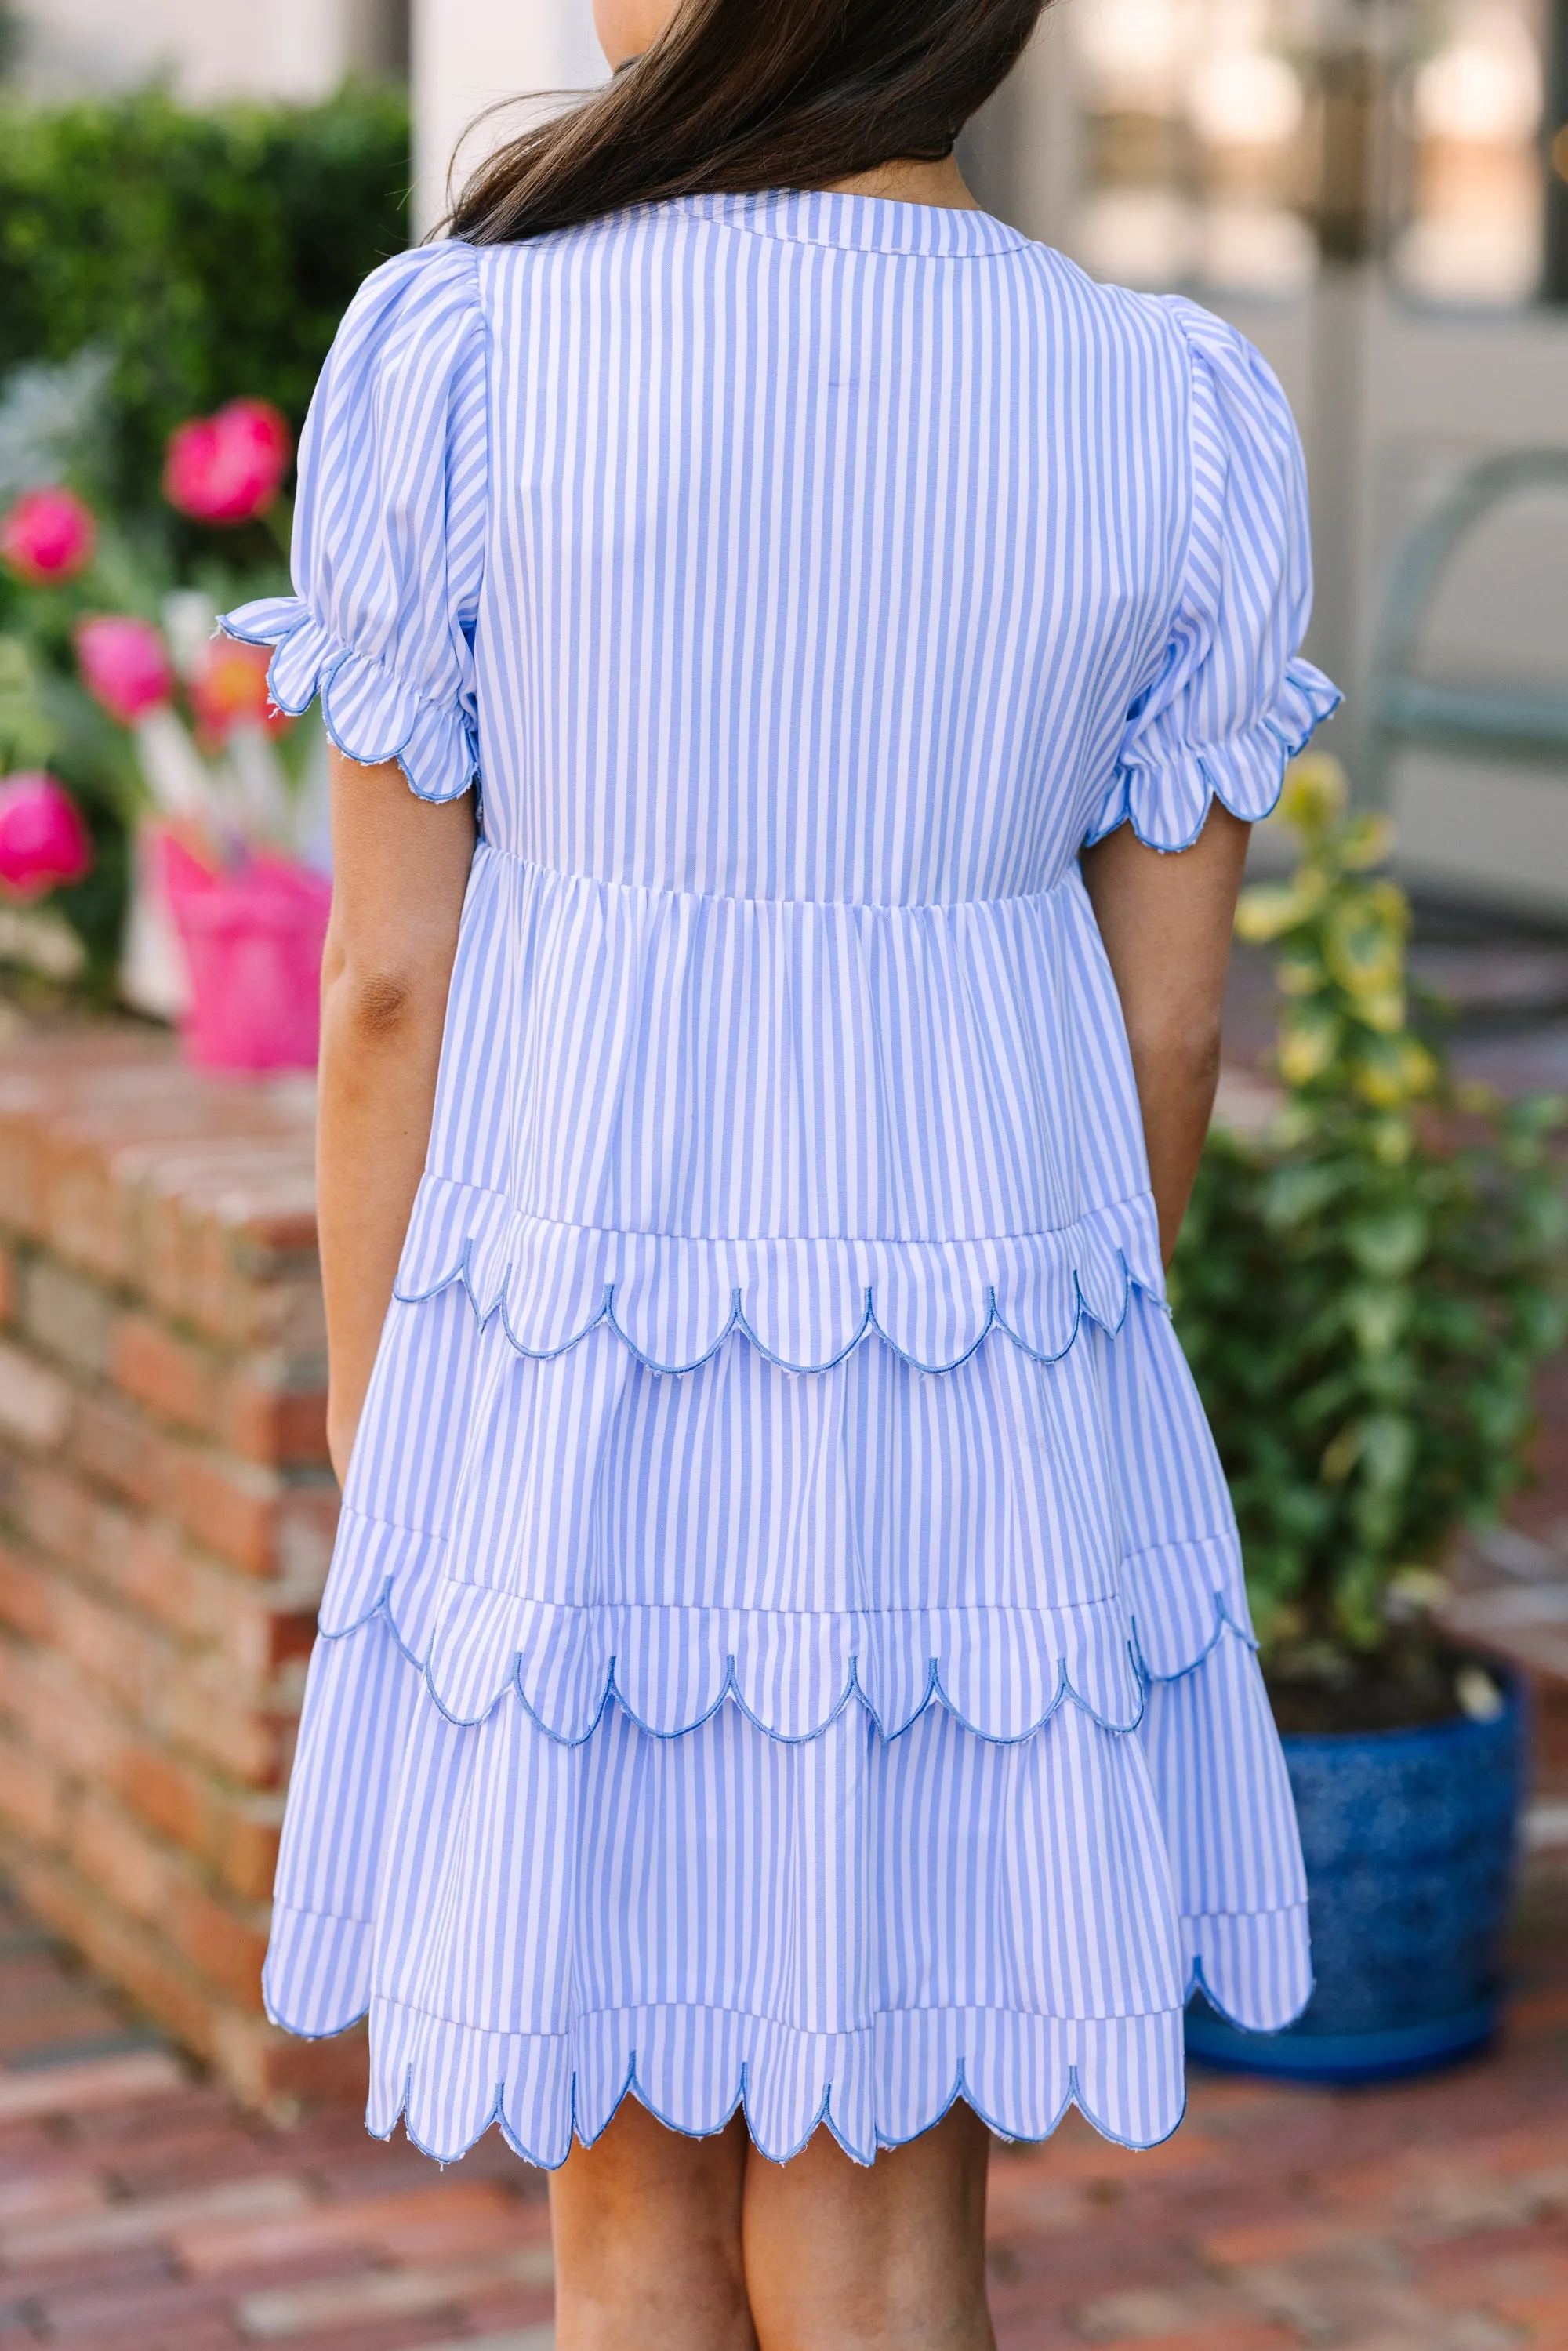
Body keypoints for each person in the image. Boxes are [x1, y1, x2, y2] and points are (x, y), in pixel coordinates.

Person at [222, 0, 1339, 2340]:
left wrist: (383, 1416)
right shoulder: (1163, 403)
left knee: (627, 2206)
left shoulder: (476, 355)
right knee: (889, 2198)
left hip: (579, 1362)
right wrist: (1047, 1397)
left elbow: (388, 994)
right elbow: (1174, 1015)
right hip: (982, 1367)